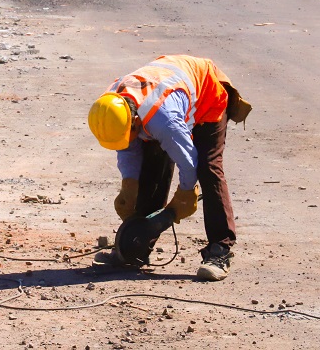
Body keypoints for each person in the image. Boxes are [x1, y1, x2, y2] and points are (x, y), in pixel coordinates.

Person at [87, 55, 251, 281]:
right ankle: (138, 246)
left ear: (134, 121)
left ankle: (220, 250)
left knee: (207, 168)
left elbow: (188, 162)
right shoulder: (112, 107)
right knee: (152, 166)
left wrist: (184, 193)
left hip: (207, 94)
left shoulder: (165, 121)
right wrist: (129, 185)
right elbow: (127, 147)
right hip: (167, 96)